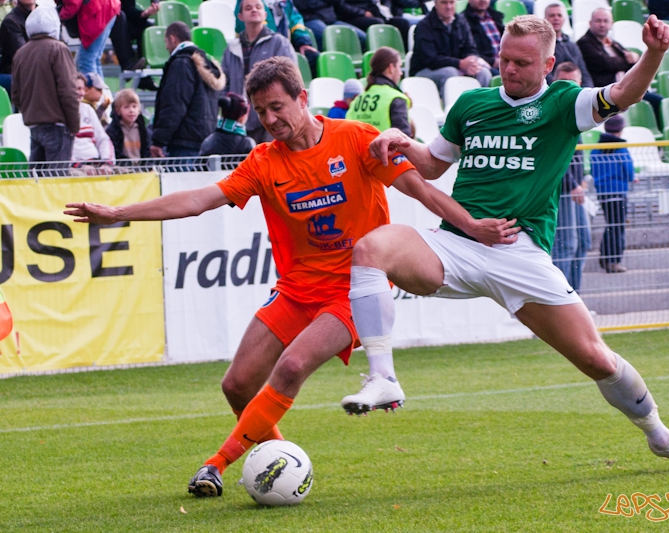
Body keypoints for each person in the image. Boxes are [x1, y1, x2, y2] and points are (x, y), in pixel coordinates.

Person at [64, 57, 509, 497]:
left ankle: (215, 464)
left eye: (277, 107)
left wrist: (470, 227)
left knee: (292, 365)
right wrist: (120, 212)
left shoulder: (355, 139)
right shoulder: (263, 162)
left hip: (353, 291)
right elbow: (200, 199)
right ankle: (281, 460)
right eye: (260, 112)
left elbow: (421, 188)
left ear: (302, 98)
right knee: (236, 385)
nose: (270, 119)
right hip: (296, 290)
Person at [343, 14, 669, 472]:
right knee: (369, 249)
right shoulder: (472, 103)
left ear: (548, 64)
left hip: (519, 254)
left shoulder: (563, 102)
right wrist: (402, 138)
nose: (509, 69)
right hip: (456, 246)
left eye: (522, 62)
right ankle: (383, 377)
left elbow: (624, 95)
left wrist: (655, 52)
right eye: (503, 59)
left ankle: (661, 436)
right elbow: (430, 166)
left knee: (597, 359)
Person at [11, 6, 79, 163]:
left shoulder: (20, 53)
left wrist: (29, 114)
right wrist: (74, 125)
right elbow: (68, 91)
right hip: (57, 125)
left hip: (33, 125)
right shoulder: (58, 49)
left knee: (38, 181)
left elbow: (16, 94)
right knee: (56, 181)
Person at [222, 0, 295, 144]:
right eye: (248, 8)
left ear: (265, 14)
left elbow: (290, 81)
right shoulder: (231, 49)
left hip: (270, 120)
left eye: (258, 7)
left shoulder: (280, 43)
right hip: (238, 122)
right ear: (241, 16)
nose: (253, 10)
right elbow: (224, 83)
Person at [150, 22, 226, 159]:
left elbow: (174, 105)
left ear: (173, 39)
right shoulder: (206, 64)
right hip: (205, 142)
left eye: (166, 42)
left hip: (184, 145)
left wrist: (158, 141)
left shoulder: (181, 63)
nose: (166, 47)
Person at [550, 62, 591, 292]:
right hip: (562, 190)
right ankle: (559, 300)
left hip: (576, 188)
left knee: (584, 242)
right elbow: (555, 157)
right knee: (566, 245)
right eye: (564, 83)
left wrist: (582, 179)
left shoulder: (576, 109)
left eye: (573, 83)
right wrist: (573, 185)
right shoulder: (553, 111)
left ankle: (573, 297)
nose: (569, 88)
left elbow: (577, 154)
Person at [577, 8, 663, 114]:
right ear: (590, 23)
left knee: (660, 101)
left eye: (606, 21)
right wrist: (628, 60)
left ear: (611, 23)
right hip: (608, 92)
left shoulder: (613, 43)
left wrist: (636, 57)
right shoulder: (584, 43)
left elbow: (634, 61)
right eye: (598, 21)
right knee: (655, 101)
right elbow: (606, 63)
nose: (602, 24)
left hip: (627, 88)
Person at [409, 0, 492, 97]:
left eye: (451, 2)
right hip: (425, 71)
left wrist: (471, 61)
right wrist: (460, 64)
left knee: (483, 72)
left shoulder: (461, 21)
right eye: (444, 3)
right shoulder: (424, 26)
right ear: (435, 4)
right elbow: (430, 59)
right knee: (450, 73)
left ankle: (475, 107)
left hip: (456, 67)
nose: (448, 6)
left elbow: (471, 48)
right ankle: (451, 108)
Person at [592, 114, 636, 274]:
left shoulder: (597, 146)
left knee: (611, 224)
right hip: (618, 191)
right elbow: (628, 168)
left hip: (603, 192)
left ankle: (606, 258)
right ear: (621, 129)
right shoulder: (620, 147)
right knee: (617, 227)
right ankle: (613, 260)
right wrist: (631, 178)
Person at [234, 0, 319, 75]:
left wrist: (303, 42)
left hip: (284, 46)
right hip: (259, 48)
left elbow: (295, 19)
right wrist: (277, 43)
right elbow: (255, 28)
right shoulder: (248, 3)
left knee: (313, 57)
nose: (254, 9)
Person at [345, 47, 411, 135]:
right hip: (384, 149)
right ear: (391, 68)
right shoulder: (396, 98)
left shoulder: (358, 99)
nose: (401, 73)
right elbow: (403, 141)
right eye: (399, 67)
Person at [59, 0, 120, 77]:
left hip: (96, 12)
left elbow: (73, 4)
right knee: (93, 59)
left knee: (86, 60)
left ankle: (92, 88)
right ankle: (100, 88)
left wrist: (58, 16)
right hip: (106, 7)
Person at [544, 2, 593, 87]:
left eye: (559, 15)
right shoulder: (542, 46)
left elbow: (584, 73)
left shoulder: (572, 45)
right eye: (552, 15)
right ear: (545, 19)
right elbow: (544, 74)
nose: (556, 18)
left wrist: (586, 92)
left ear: (564, 19)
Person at [72, 73, 114, 166]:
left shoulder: (88, 109)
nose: (82, 93)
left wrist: (106, 162)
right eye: (78, 89)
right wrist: (78, 166)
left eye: (83, 88)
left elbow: (103, 139)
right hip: (75, 167)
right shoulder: (59, 113)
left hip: (95, 162)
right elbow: (60, 148)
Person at [294, 0, 367, 50]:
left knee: (361, 37)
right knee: (326, 36)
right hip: (310, 19)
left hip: (330, 19)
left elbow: (339, 4)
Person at [105, 88, 151, 161]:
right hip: (122, 168)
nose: (131, 110)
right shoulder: (112, 130)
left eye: (134, 106)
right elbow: (115, 152)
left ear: (139, 109)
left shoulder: (143, 131)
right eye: (126, 107)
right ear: (118, 110)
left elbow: (147, 151)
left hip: (142, 169)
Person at [0, 0, 35, 93]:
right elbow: (23, 56)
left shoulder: (45, 14)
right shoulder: (11, 21)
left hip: (37, 68)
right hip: (17, 72)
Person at [462, 0, 504, 76]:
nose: (482, 0)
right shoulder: (462, 21)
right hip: (485, 65)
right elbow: (468, 52)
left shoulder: (496, 17)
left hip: (505, 61)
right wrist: (492, 61)